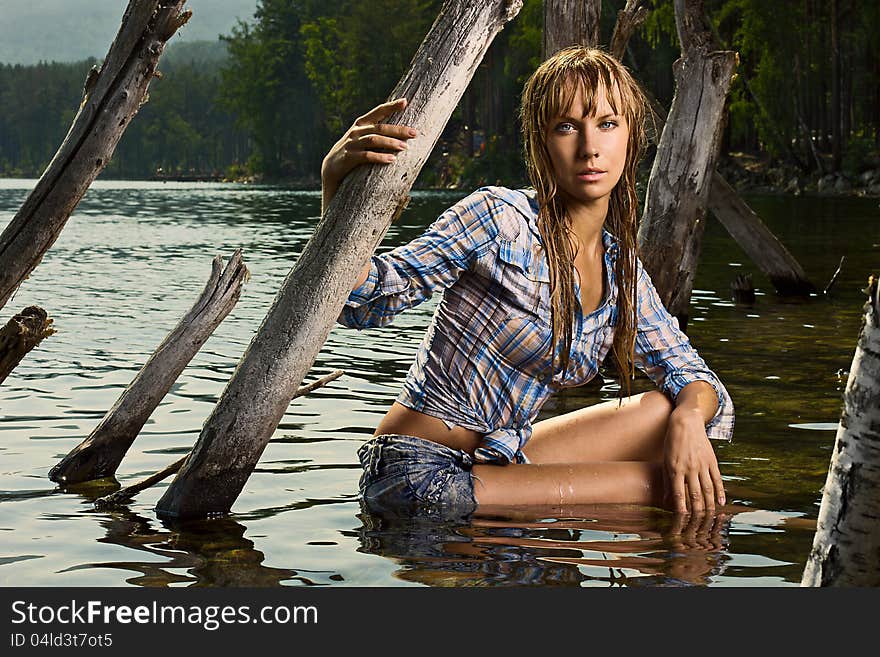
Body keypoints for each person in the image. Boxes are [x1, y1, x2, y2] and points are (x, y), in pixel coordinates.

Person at [324, 47, 734, 520]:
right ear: (541, 142)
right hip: (416, 475)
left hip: (493, 460)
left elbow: (700, 382)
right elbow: (363, 297)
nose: (589, 148)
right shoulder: (500, 220)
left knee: (665, 412)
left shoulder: (622, 271)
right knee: (673, 492)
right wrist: (335, 189)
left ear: (631, 137)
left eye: (606, 124)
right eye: (566, 127)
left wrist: (687, 416)